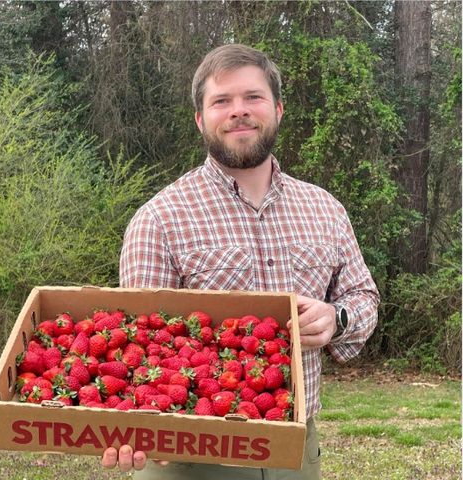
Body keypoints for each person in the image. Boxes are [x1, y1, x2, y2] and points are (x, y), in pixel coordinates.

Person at [101, 43, 379, 479]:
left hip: (295, 447)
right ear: (200, 118)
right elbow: (136, 346)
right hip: (192, 454)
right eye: (221, 101)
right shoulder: (159, 218)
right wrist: (127, 427)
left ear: (278, 109)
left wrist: (336, 319)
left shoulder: (325, 209)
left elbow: (362, 297)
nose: (239, 111)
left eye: (253, 97)